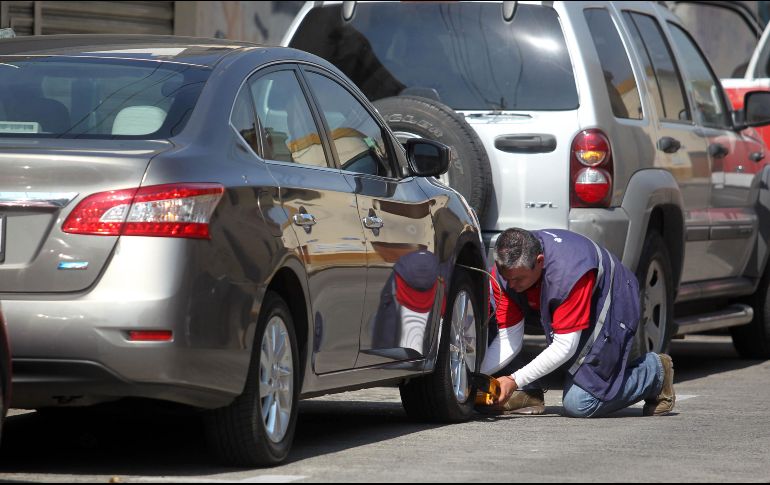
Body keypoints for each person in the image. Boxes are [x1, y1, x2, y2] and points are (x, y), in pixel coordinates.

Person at [479, 228, 675, 418]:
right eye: (507, 278)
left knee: (580, 403)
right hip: (554, 303)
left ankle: (654, 372)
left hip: (610, 301)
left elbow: (565, 347)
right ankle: (528, 393)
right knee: (492, 309)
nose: (511, 285)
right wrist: (472, 376)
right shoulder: (508, 272)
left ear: (539, 262)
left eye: (518, 279)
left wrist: (514, 380)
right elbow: (508, 337)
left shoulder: (569, 273)